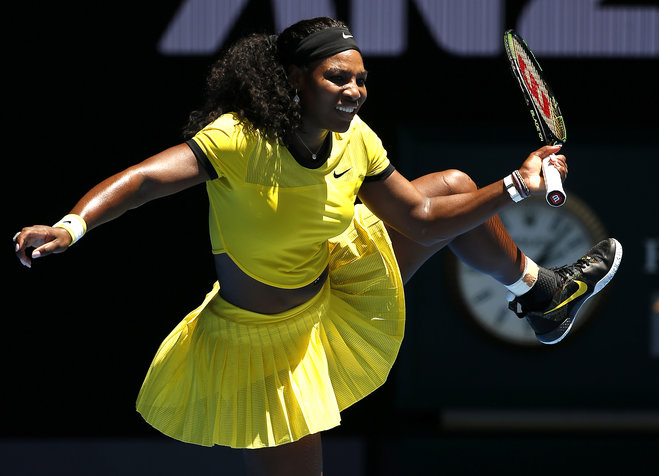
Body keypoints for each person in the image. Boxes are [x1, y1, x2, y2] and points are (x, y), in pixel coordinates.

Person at [13, 17, 622, 476]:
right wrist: (72, 226)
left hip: (340, 286)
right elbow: (143, 180)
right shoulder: (238, 140)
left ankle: (541, 293)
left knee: (456, 187)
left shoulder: (357, 139)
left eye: (362, 79)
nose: (355, 90)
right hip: (265, 349)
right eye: (338, 77)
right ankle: (542, 294)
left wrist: (517, 183)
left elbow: (427, 218)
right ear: (293, 81)